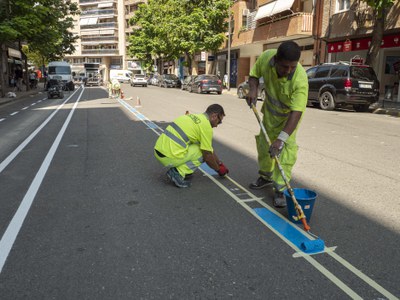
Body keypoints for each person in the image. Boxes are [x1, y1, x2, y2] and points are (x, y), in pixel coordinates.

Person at [246, 41, 308, 208]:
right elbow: (254, 74)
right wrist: (253, 89)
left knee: (286, 153)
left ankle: (280, 188)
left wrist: (281, 139)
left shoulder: (300, 80)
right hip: (270, 115)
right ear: (275, 60)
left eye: (292, 67)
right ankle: (265, 177)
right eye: (284, 67)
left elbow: (296, 112)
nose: (288, 71)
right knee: (264, 147)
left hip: (289, 121)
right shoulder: (266, 58)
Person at [154, 104, 229, 188]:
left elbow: (209, 149)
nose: (217, 125)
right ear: (214, 116)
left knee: (200, 147)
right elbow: (207, 156)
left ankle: (183, 170)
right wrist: (219, 170)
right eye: (219, 121)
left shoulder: (191, 116)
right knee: (201, 153)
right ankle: (177, 172)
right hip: (169, 157)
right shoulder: (206, 127)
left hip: (158, 151)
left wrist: (219, 163)